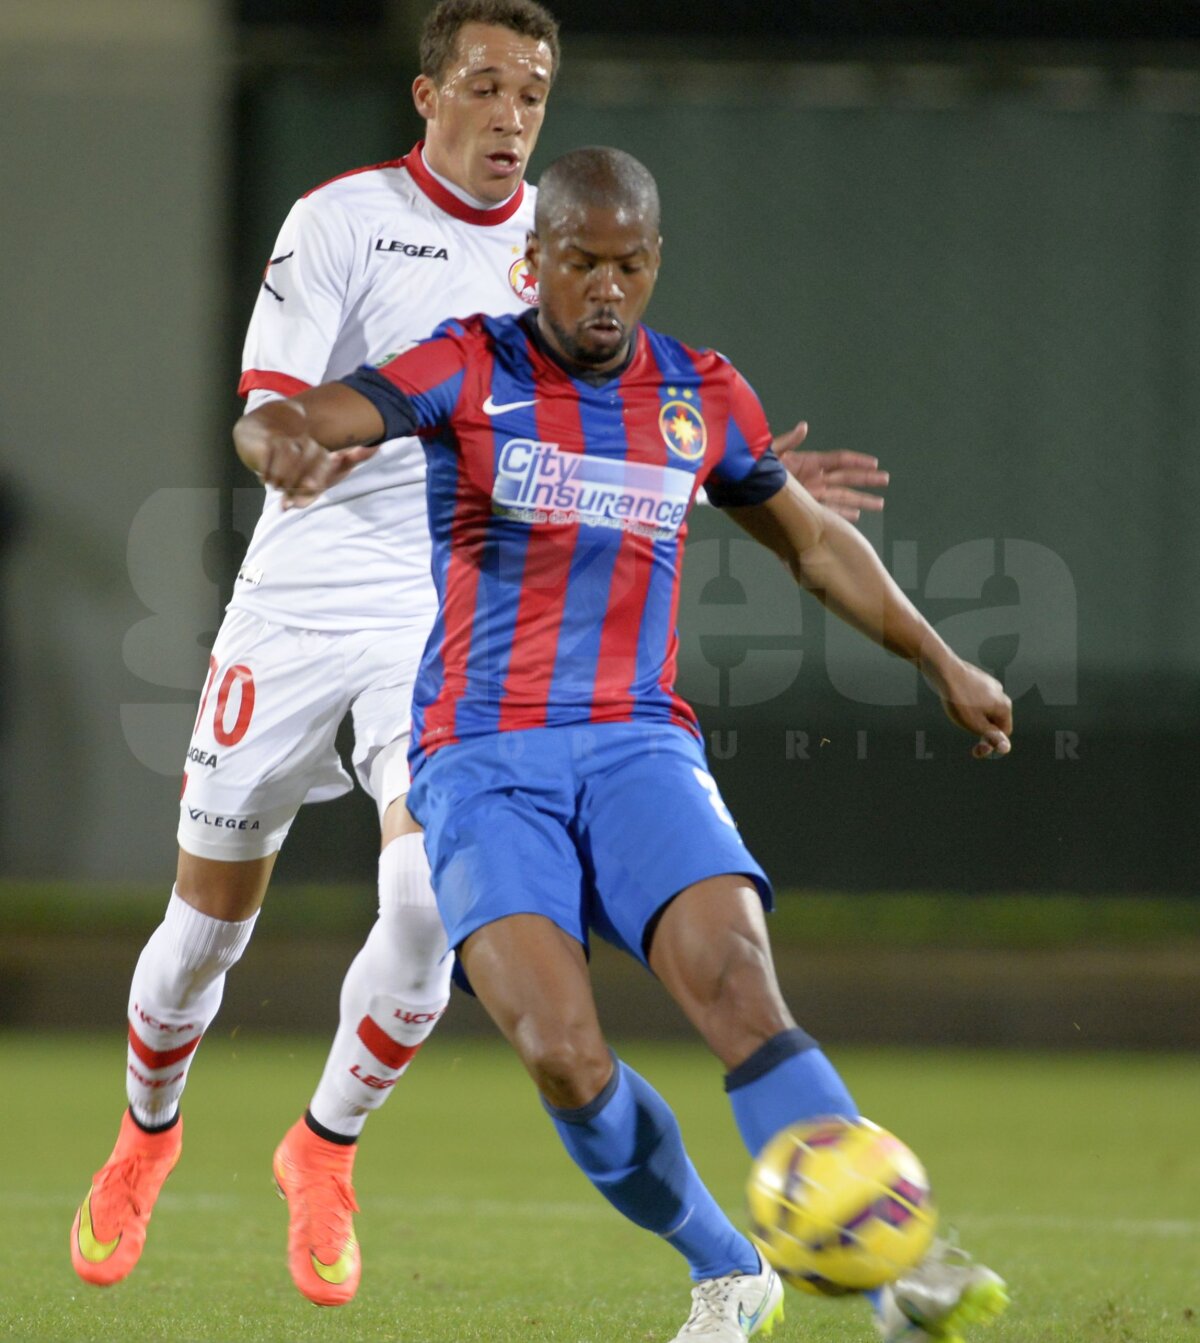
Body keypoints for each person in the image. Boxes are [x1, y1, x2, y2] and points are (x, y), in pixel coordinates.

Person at [69, 0, 888, 1312]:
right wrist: (278, 444)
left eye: (535, 93)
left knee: (424, 905)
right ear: (428, 94)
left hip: (444, 611)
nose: (514, 115)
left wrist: (735, 469)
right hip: (294, 602)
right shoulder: (339, 220)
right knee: (200, 930)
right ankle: (144, 1133)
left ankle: (322, 1145)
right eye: (491, 86)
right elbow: (269, 408)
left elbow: (621, 404)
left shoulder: (561, 245)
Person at [235, 147, 1012, 1343]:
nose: (606, 288)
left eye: (630, 265)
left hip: (636, 748)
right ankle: (728, 1265)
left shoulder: (701, 394)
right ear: (534, 259)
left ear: (655, 265)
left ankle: (893, 1270)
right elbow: (319, 411)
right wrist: (277, 437)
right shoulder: (468, 364)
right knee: (561, 1052)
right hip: (481, 761)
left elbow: (808, 542)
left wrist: (941, 657)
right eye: (582, 262)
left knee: (740, 987)